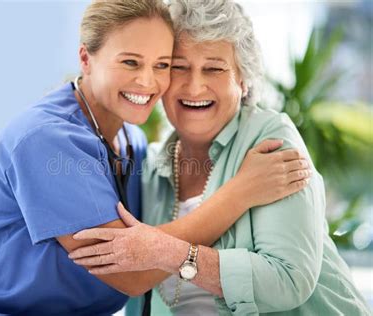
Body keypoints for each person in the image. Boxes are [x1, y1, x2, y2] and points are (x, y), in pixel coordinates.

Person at [0, 1, 310, 315]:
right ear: (86, 58)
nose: (148, 81)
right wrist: (238, 194)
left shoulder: (130, 140)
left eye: (162, 65)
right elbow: (129, 272)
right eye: (130, 62)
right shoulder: (47, 139)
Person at [69, 0, 372, 315]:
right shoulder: (151, 165)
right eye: (178, 67)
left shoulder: (271, 142)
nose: (194, 86)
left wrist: (167, 251)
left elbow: (287, 281)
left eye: (214, 68)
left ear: (242, 80)